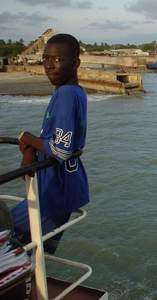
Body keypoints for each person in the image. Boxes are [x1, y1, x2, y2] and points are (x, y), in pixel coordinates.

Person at [12, 33, 89, 253]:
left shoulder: (65, 94)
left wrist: (28, 138)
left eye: (56, 59)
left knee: (9, 234)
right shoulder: (76, 92)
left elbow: (62, 150)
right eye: (45, 59)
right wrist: (32, 148)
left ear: (75, 63)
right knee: (29, 249)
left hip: (54, 192)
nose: (48, 65)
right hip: (64, 186)